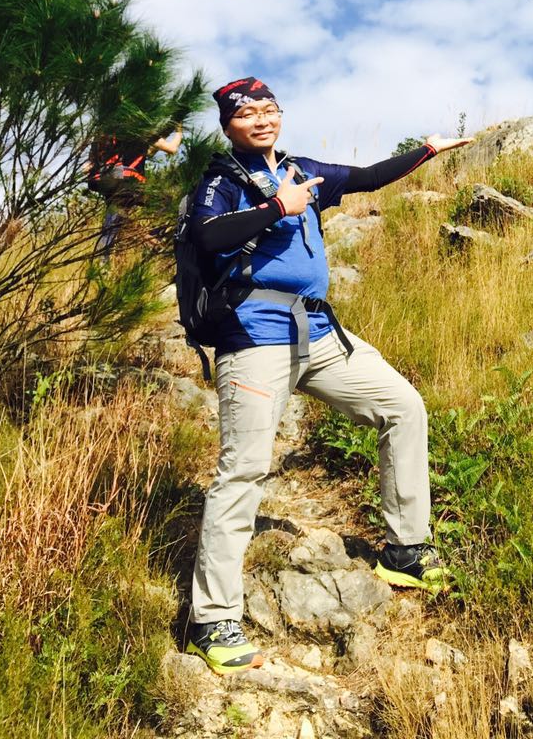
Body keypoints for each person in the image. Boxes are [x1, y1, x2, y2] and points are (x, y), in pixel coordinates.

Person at [185, 76, 469, 677]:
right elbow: (207, 238)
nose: (261, 119)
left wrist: (427, 150)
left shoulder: (303, 170)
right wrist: (275, 208)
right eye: (247, 113)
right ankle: (212, 620)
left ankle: (404, 552)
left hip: (317, 332)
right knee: (243, 470)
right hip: (254, 335)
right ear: (229, 125)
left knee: (402, 406)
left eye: (269, 109)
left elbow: (366, 177)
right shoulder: (220, 180)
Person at [89, 126, 183, 258]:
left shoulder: (108, 132)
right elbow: (172, 148)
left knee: (111, 226)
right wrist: (179, 131)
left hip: (105, 180)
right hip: (127, 181)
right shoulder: (140, 129)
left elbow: (149, 152)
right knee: (165, 201)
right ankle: (150, 236)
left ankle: (101, 262)